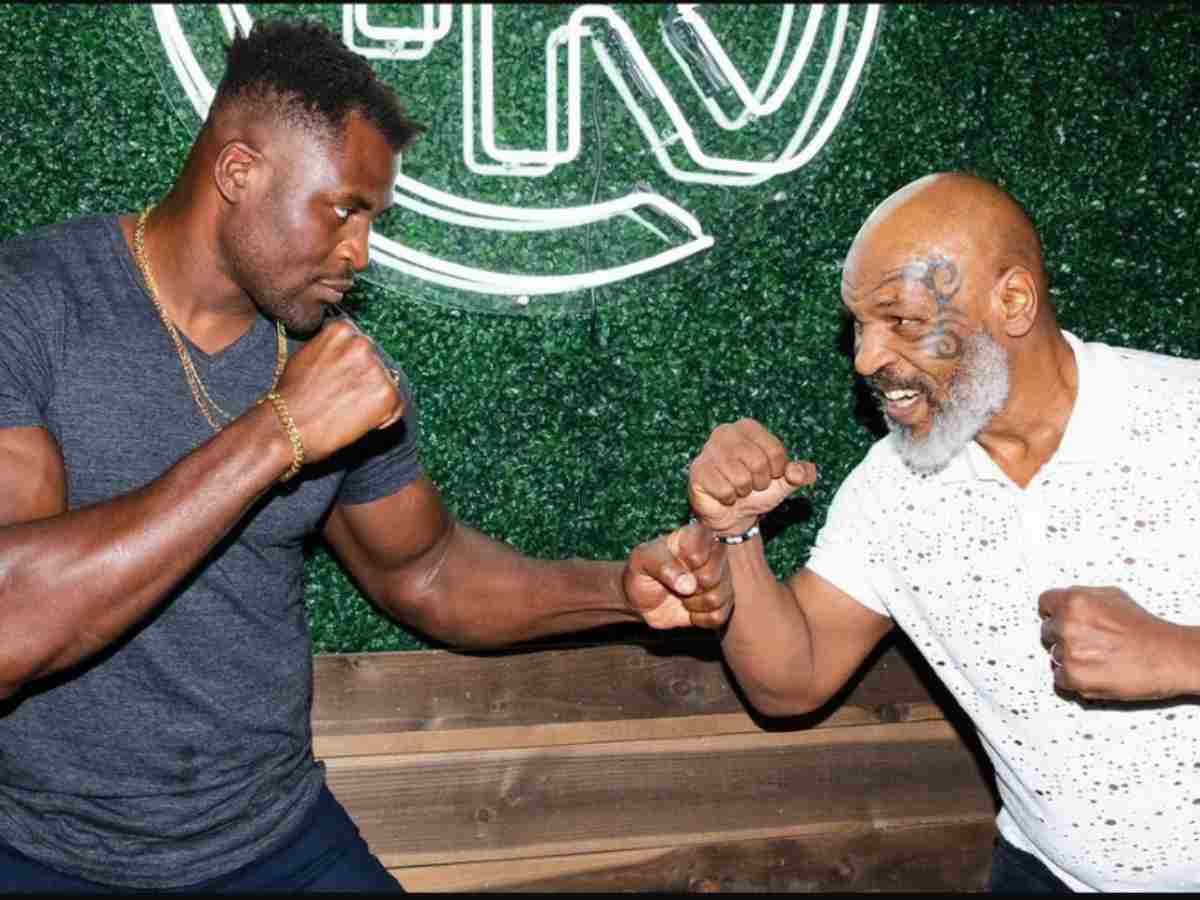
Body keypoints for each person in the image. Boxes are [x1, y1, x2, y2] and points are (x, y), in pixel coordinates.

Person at [0, 18, 726, 893]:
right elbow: (11, 626)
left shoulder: (338, 373)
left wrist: (616, 588)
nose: (361, 254)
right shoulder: (32, 306)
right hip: (45, 852)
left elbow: (426, 569)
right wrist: (278, 432)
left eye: (372, 220)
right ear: (239, 173)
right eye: (344, 210)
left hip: (273, 839)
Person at [677, 171, 1200, 892]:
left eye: (901, 320)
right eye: (860, 324)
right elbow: (789, 684)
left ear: (1012, 301)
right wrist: (735, 532)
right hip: (1045, 878)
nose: (865, 358)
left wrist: (1183, 654)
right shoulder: (892, 488)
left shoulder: (1185, 418)